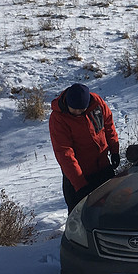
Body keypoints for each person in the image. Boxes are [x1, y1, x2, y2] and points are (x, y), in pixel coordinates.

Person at [49, 83, 120, 211]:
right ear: (67, 104)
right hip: (78, 176)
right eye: (74, 109)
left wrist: (115, 151)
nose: (77, 112)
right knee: (79, 218)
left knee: (111, 210)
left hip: (103, 168)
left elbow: (108, 126)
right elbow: (65, 153)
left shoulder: (97, 104)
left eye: (81, 110)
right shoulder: (58, 118)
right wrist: (80, 185)